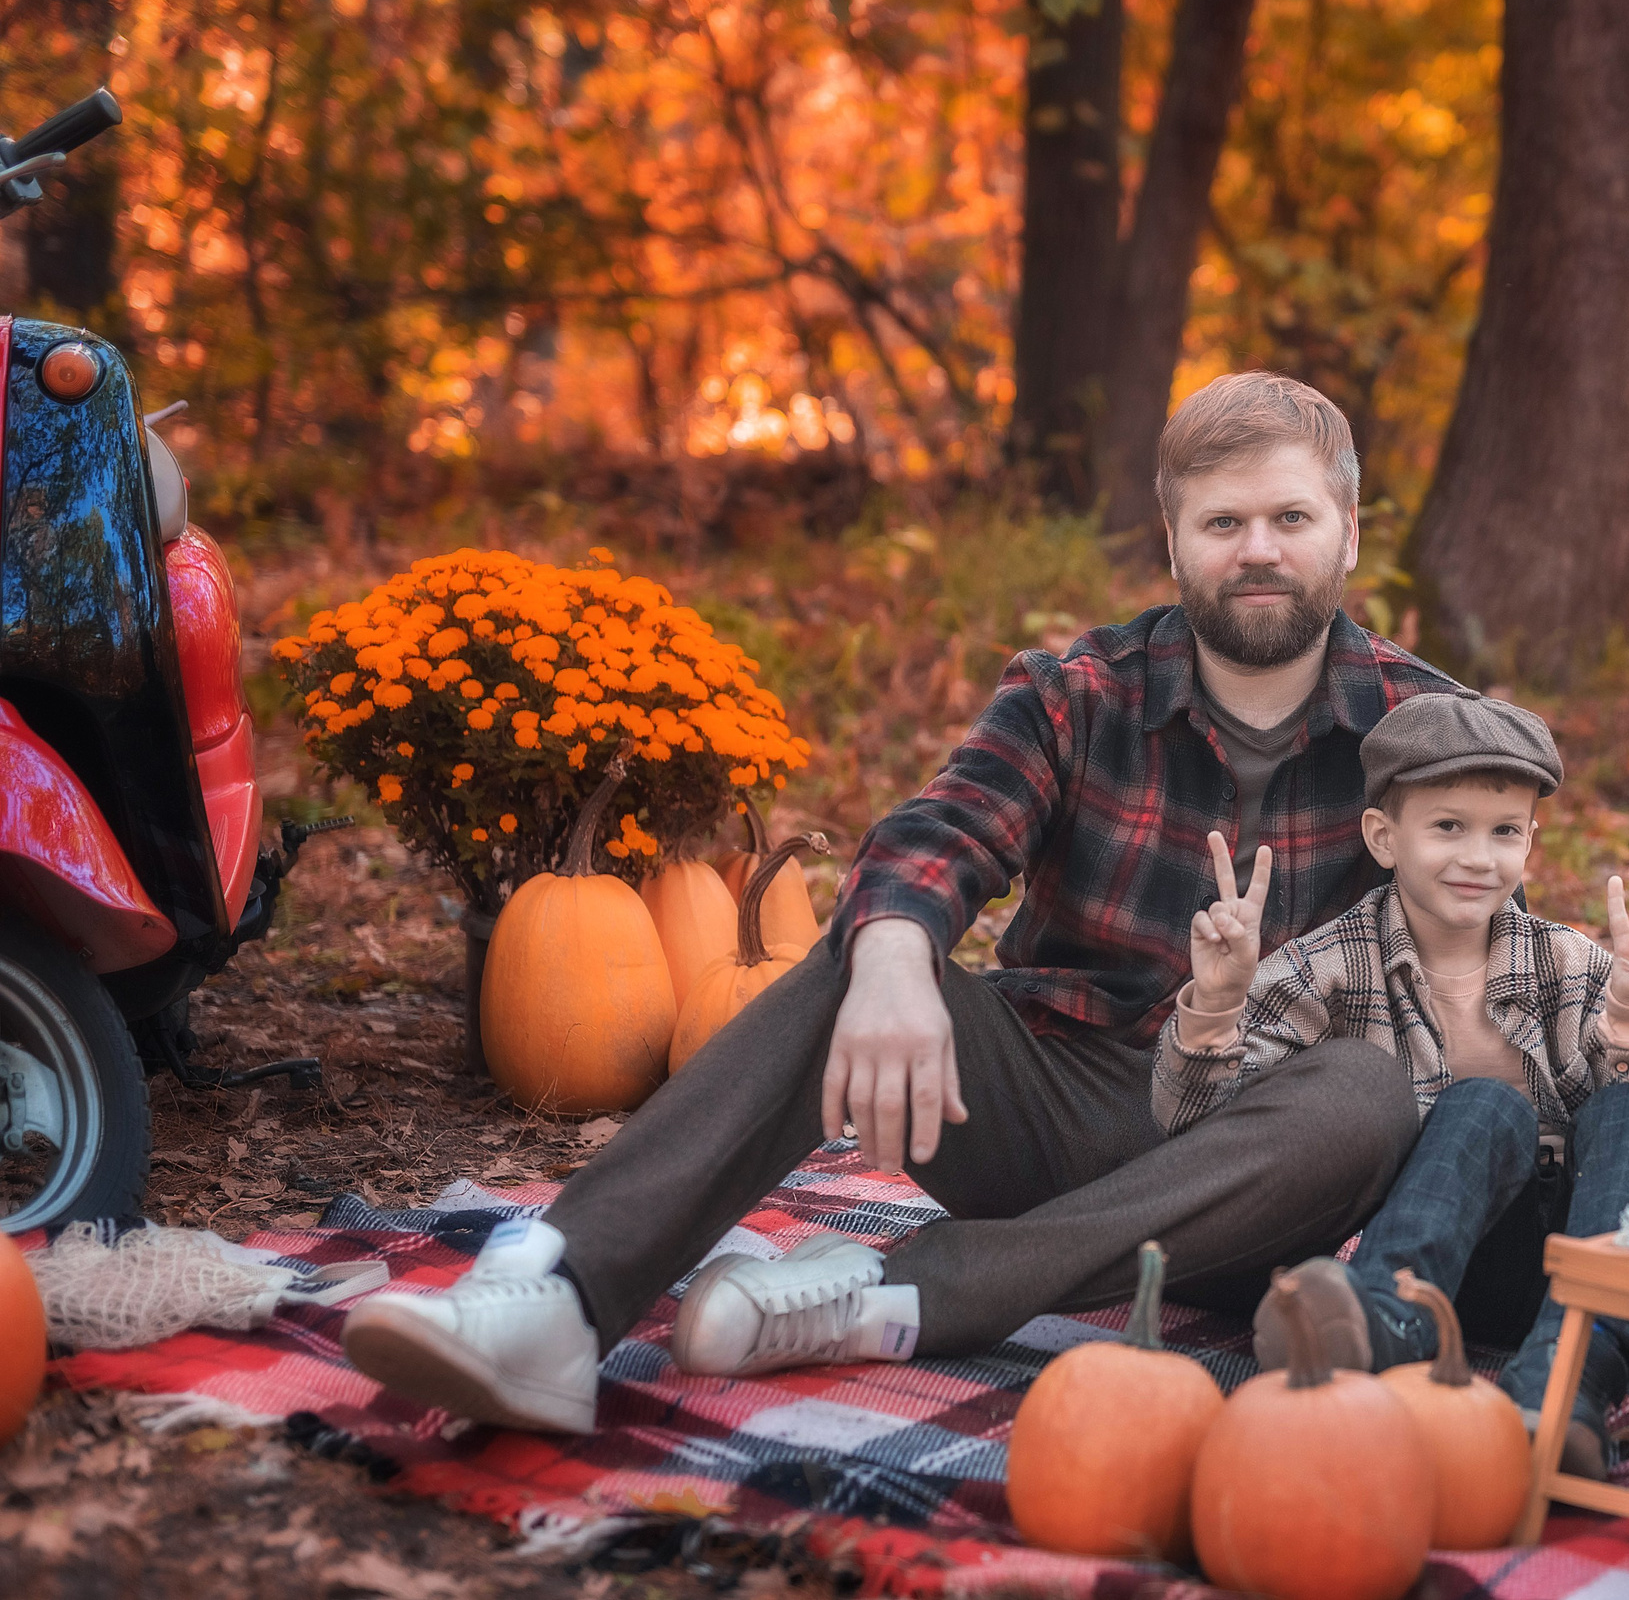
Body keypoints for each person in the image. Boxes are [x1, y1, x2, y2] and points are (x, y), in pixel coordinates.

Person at [342, 372, 1464, 1434]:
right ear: (1173, 540)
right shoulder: (1077, 695)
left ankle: (917, 1290)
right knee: (874, 940)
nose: (1258, 549)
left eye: (1290, 517)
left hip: (1253, 1169)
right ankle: (561, 1295)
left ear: (1347, 535)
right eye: (1223, 522)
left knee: (1367, 1090)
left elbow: (1481, 972)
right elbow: (937, 836)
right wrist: (887, 961)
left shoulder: (1428, 734)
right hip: (1044, 1103)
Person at [1155, 692, 1629, 1477]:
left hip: (1577, 1272)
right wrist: (1215, 1005)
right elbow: (1200, 1126)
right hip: (1425, 1262)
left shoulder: (1574, 965)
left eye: (1504, 831)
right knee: (1485, 1105)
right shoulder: (1330, 967)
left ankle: (1569, 1383)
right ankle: (1378, 1328)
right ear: (1384, 836)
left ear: (1530, 841)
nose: (1479, 857)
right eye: (1448, 826)